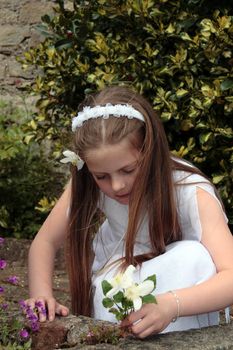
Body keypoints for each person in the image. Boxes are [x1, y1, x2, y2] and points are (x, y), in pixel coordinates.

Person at [26, 86, 233, 338]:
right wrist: (41, 295)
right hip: (119, 287)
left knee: (193, 256)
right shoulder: (89, 185)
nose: (116, 186)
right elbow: (44, 242)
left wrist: (170, 305)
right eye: (101, 176)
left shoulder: (190, 191)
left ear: (150, 151)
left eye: (128, 170)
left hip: (183, 297)